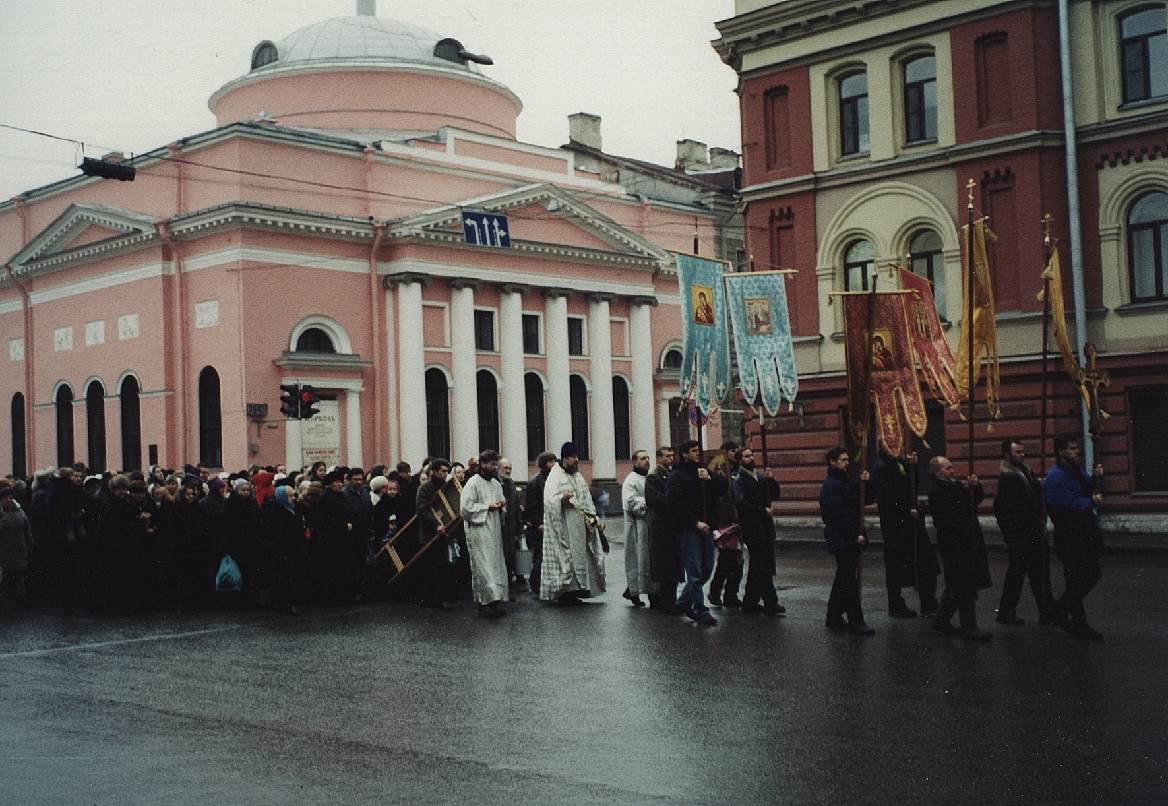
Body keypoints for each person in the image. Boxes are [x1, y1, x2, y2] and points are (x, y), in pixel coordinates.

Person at [1044, 433, 1105, 640]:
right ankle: (1069, 618)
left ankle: (1062, 614)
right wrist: (1091, 503)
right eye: (1071, 448)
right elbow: (1065, 508)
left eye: (1076, 448)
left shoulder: (1076, 471)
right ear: (1061, 451)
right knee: (1079, 579)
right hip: (1070, 537)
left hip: (1085, 533)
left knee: (1088, 576)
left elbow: (1090, 491)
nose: (1076, 451)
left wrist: (1097, 477)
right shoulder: (1056, 477)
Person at [927, 456, 991, 641]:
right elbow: (948, 516)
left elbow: (974, 501)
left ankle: (941, 620)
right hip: (954, 543)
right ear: (937, 471)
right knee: (964, 585)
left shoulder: (954, 485)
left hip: (967, 540)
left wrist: (974, 486)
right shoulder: (937, 490)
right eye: (948, 468)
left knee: (956, 584)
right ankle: (969, 626)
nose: (952, 470)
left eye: (952, 467)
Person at [994, 439, 1054, 626]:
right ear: (1007, 454)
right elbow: (1002, 510)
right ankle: (1005, 612)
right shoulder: (1008, 477)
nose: (1022, 455)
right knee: (1017, 575)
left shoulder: (1026, 472)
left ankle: (1047, 612)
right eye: (1017, 452)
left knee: (1041, 574)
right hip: (1020, 536)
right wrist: (1011, 536)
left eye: (1022, 451)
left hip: (1036, 532)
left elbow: (1036, 495)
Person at [872, 450, 939, 618]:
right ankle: (896, 605)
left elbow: (912, 487)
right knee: (896, 568)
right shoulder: (882, 466)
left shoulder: (900, 462)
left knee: (926, 563)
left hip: (911, 522)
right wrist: (907, 510)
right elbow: (887, 495)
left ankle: (928, 603)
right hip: (896, 526)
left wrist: (913, 467)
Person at [667, 439, 726, 626]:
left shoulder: (704, 471)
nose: (698, 454)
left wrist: (710, 478)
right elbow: (674, 504)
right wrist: (694, 522)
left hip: (707, 527)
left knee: (707, 569)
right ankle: (701, 610)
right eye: (693, 451)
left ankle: (684, 601)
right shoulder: (677, 476)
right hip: (689, 529)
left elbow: (723, 488)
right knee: (694, 571)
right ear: (684, 454)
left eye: (698, 450)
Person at [818, 447, 874, 636]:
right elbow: (836, 515)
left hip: (851, 536)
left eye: (848, 459)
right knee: (848, 580)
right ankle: (856, 621)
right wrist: (853, 535)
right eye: (843, 459)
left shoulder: (846, 481)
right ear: (832, 462)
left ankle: (833, 617)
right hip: (842, 538)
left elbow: (864, 500)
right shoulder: (830, 485)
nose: (847, 462)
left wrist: (867, 483)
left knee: (844, 578)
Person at [540, 442, 605, 604]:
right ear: (564, 458)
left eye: (577, 457)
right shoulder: (554, 476)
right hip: (563, 525)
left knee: (581, 556)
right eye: (572, 457)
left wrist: (591, 517)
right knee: (566, 556)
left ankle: (577, 590)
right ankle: (564, 592)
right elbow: (548, 501)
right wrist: (562, 499)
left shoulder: (577, 476)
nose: (576, 460)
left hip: (579, 525)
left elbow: (586, 499)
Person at [732, 447, 785, 615]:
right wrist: (762, 511)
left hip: (765, 527)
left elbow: (775, 494)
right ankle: (770, 602)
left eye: (752, 455)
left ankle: (750, 602)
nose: (751, 458)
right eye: (747, 456)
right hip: (752, 528)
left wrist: (771, 480)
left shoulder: (760, 477)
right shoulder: (739, 479)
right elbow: (741, 503)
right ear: (740, 460)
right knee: (762, 565)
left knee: (759, 566)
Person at [460, 450, 510, 617]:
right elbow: (465, 508)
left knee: (495, 566)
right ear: (482, 464)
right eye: (491, 464)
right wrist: (488, 506)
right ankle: (483, 603)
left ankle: (495, 601)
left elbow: (502, 503)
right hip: (479, 530)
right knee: (483, 567)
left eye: (496, 464)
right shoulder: (472, 483)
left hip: (494, 530)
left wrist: (502, 506)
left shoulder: (496, 483)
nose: (495, 467)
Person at [416, 459, 454, 609]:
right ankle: (430, 600)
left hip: (443, 533)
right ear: (434, 471)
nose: (445, 474)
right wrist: (436, 524)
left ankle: (438, 598)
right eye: (443, 471)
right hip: (428, 534)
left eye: (446, 471)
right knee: (430, 567)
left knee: (441, 566)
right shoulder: (426, 488)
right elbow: (422, 510)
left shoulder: (445, 487)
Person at [645, 446, 680, 612]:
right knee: (665, 565)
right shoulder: (654, 477)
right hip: (661, 526)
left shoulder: (673, 475)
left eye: (672, 456)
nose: (671, 459)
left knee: (673, 564)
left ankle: (671, 599)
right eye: (667, 456)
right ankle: (667, 602)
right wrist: (673, 500)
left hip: (673, 525)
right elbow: (655, 501)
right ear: (659, 458)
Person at [708, 441, 742, 607]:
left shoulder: (737, 470)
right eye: (732, 451)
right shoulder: (719, 469)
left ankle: (731, 595)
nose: (735, 453)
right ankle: (715, 592)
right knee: (727, 559)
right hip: (725, 521)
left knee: (737, 560)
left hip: (738, 520)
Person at [620, 449, 651, 607]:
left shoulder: (649, 478)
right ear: (634, 461)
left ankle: (640, 591)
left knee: (646, 562)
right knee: (637, 561)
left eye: (647, 458)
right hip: (636, 527)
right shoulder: (631, 480)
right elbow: (631, 502)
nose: (646, 461)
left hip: (648, 527)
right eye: (642, 458)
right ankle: (634, 592)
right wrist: (650, 501)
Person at [523, 452, 555, 594]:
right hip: (538, 527)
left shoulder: (552, 479)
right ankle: (536, 585)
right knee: (539, 556)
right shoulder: (535, 482)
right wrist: (538, 523)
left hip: (549, 523)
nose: (554, 464)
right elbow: (532, 506)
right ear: (544, 464)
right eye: (551, 461)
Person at [0, 480, 33, 611]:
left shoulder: (19, 511)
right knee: (6, 578)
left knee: (18, 576)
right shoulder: (5, 513)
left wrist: (29, 545)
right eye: (6, 498)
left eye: (11, 497)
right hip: (4, 550)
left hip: (18, 548)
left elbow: (27, 529)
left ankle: (20, 600)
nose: (9, 500)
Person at [497, 457, 521, 588]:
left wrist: (518, 528)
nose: (508, 471)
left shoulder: (511, 483)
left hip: (511, 528)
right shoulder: (496, 483)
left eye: (510, 468)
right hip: (500, 527)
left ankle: (509, 587)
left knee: (510, 557)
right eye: (505, 468)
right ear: (499, 468)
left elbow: (516, 507)